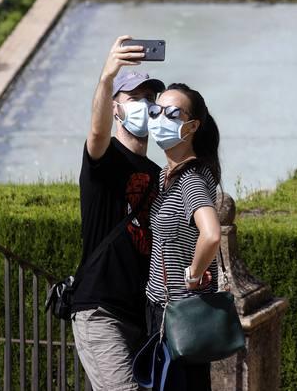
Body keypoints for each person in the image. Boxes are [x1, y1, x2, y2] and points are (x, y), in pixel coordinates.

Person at [71, 35, 164, 391]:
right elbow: (96, 131)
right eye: (135, 99)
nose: (145, 106)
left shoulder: (158, 174)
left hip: (142, 318)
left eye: (150, 100)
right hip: (100, 311)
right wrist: (107, 77)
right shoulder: (104, 157)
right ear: (116, 108)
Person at [145, 82, 222, 391]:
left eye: (172, 113)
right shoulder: (166, 174)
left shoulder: (189, 179)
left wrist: (194, 273)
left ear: (192, 126)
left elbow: (212, 234)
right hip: (167, 309)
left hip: (178, 313)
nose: (160, 118)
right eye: (155, 111)